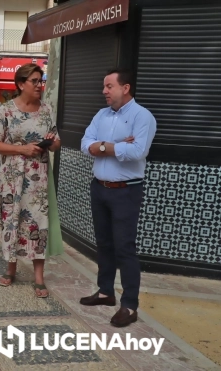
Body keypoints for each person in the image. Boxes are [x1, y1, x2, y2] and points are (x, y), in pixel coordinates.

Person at [79, 68, 156, 327]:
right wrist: (113, 145)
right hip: (99, 187)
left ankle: (130, 305)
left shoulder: (142, 116)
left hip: (126, 190)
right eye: (104, 86)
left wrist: (103, 146)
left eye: (109, 86)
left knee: (124, 247)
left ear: (125, 88)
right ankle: (105, 292)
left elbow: (138, 151)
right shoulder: (101, 114)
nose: (104, 91)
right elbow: (84, 144)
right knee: (104, 244)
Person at [0, 63, 61, 298]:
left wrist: (51, 141)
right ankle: (11, 269)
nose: (40, 85)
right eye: (35, 81)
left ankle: (39, 277)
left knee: (39, 224)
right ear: (21, 84)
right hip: (11, 178)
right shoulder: (6, 110)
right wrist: (22, 149)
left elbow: (57, 142)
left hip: (38, 179)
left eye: (41, 81)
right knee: (12, 221)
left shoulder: (47, 110)